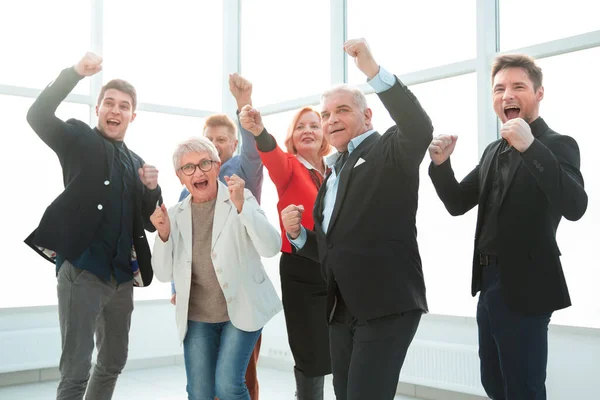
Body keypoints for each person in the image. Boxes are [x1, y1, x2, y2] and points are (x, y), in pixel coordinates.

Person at [427, 54, 588, 400]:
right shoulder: (491, 152)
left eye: (518, 86)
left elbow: (576, 207)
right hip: (488, 285)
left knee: (524, 388)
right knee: (494, 382)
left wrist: (531, 147)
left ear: (539, 93)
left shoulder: (558, 144)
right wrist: (441, 166)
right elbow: (457, 203)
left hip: (528, 285)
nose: (507, 95)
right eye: (499, 88)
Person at [281, 38, 433, 400]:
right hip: (341, 308)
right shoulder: (333, 174)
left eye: (342, 110)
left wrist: (372, 71)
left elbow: (418, 127)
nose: (332, 120)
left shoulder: (389, 150)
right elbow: (334, 247)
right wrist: (300, 236)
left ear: (367, 116)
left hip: (385, 305)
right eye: (326, 115)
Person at [24, 52, 163, 399]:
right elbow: (37, 115)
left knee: (114, 360)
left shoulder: (136, 162)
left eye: (124, 106)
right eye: (109, 103)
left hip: (121, 279)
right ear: (98, 108)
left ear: (133, 115)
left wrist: (152, 189)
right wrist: (74, 73)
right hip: (82, 270)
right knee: (75, 369)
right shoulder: (78, 138)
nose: (116, 110)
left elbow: (147, 222)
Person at [151, 137, 282, 400]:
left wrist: (243, 207)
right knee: (199, 393)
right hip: (198, 317)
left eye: (204, 164)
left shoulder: (239, 197)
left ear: (217, 166)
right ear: (180, 177)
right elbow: (164, 275)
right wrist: (163, 236)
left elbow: (271, 246)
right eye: (188, 168)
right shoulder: (174, 215)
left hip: (242, 309)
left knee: (228, 386)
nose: (197, 172)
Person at [171, 74, 265, 399]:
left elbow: (255, 152)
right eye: (209, 138)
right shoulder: (189, 185)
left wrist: (243, 105)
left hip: (239, 301)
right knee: (203, 384)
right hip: (202, 303)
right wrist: (174, 287)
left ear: (233, 143)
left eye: (222, 139)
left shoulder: (243, 170)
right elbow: (180, 245)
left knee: (238, 382)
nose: (216, 143)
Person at [239, 101, 332, 398]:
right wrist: (259, 131)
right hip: (302, 270)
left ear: (325, 134)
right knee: (311, 355)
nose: (307, 131)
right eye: (300, 127)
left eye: (314, 125)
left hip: (337, 267)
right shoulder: (289, 167)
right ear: (291, 138)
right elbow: (272, 155)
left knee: (344, 346)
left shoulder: (336, 171)